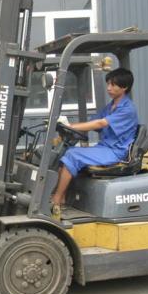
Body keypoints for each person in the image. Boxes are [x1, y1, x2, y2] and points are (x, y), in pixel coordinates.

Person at [51, 68, 139, 209]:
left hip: (115, 152)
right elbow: (94, 122)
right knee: (66, 151)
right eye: (108, 84)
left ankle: (56, 198)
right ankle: (62, 197)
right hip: (104, 147)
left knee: (73, 155)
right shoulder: (111, 106)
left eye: (113, 85)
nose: (109, 88)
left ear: (125, 87)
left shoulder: (127, 109)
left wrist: (70, 126)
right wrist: (68, 126)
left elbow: (101, 123)